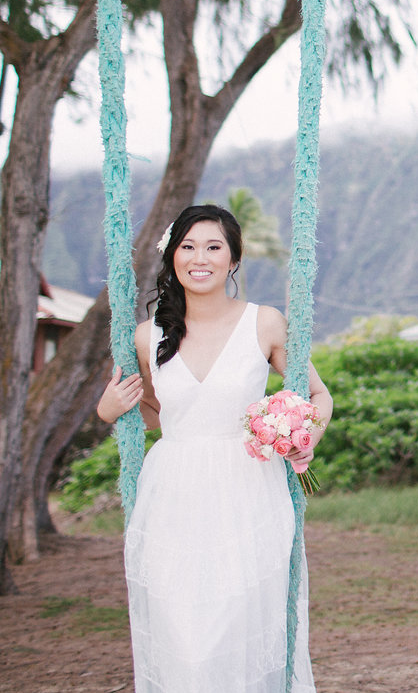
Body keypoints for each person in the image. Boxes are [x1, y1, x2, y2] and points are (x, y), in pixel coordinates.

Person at [97, 203, 332, 693]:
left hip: (248, 491)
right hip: (173, 493)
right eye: (187, 246)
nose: (199, 258)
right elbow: (157, 412)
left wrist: (304, 438)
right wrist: (107, 409)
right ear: (172, 256)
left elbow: (317, 396)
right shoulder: (146, 336)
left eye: (213, 247)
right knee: (184, 633)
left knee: (239, 623)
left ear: (233, 259)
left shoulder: (265, 323)